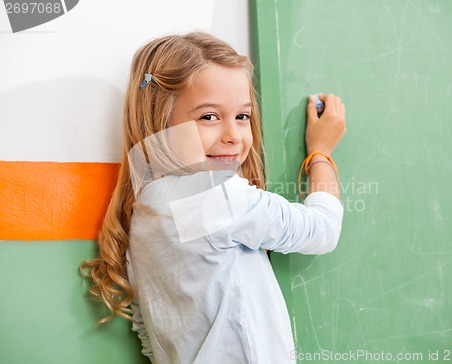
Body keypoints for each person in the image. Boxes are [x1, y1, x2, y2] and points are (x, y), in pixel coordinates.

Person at [81, 32, 346, 364]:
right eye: (209, 117)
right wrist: (320, 153)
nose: (233, 136)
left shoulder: (146, 211)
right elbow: (321, 229)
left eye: (242, 116)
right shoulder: (213, 195)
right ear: (159, 121)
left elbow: (154, 341)